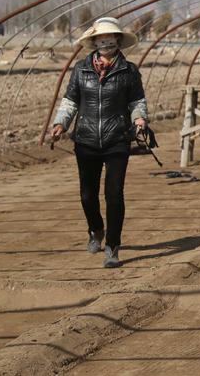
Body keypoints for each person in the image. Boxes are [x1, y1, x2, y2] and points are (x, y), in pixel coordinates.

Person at [49, 17, 149, 268]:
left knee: (114, 194)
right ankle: (96, 230)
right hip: (86, 139)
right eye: (100, 39)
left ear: (118, 40)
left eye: (110, 37)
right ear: (94, 42)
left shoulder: (129, 71)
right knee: (87, 195)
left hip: (117, 139)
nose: (105, 42)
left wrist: (140, 120)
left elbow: (137, 101)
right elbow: (70, 101)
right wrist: (61, 123)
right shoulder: (80, 70)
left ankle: (112, 247)